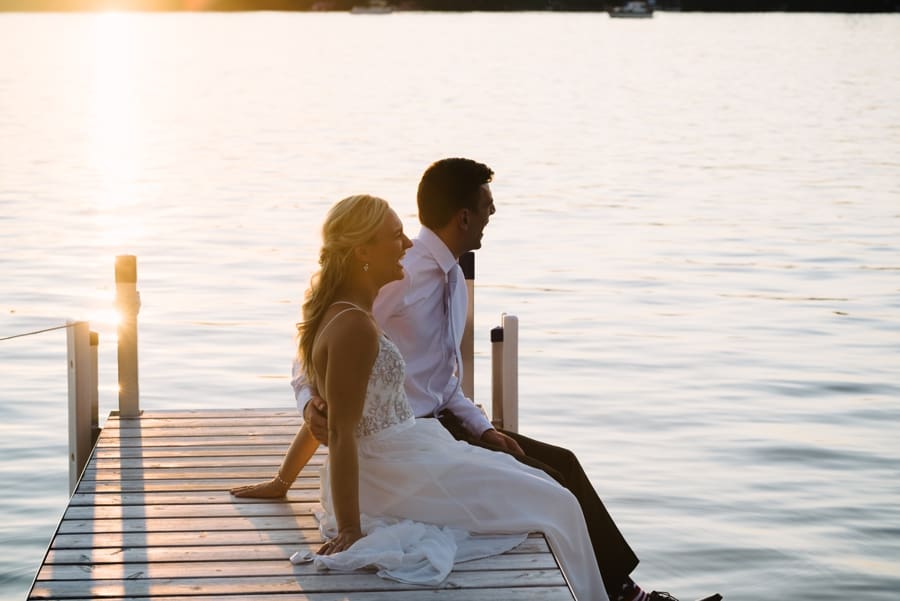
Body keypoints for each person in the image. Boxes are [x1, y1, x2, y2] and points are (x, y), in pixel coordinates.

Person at [292, 160, 720, 601]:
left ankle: (627, 592)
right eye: (487, 206)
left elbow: (442, 381)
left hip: (438, 426)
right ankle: (626, 596)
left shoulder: (453, 274)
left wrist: (484, 428)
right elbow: (325, 344)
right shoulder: (399, 274)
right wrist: (310, 403)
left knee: (565, 463)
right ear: (464, 217)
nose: (492, 215)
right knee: (551, 487)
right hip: (407, 440)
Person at [232, 194, 609, 600]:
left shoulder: (347, 313)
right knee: (558, 503)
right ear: (362, 251)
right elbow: (338, 432)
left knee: (550, 491)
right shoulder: (354, 326)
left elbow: (325, 412)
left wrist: (283, 480)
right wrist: (350, 529)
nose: (408, 244)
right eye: (396, 236)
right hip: (392, 473)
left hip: (409, 455)